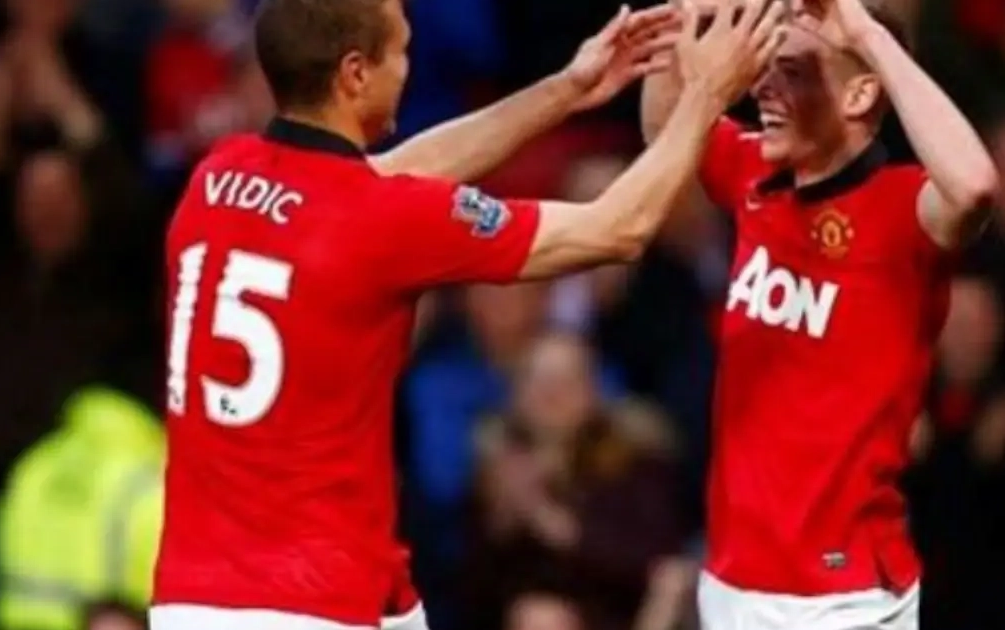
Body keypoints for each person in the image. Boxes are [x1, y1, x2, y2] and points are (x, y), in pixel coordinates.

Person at [150, 1, 786, 630]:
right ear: (355, 73)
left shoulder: (218, 176)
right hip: (314, 602)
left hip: (194, 595)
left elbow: (385, 177)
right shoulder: (381, 220)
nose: (409, 67)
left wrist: (566, 90)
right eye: (401, 51)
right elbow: (617, 228)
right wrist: (705, 96)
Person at [641, 0, 999, 628]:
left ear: (860, 94)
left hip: (841, 596)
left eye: (794, 71)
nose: (763, 87)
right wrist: (694, 12)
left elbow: (973, 186)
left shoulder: (903, 209)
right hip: (731, 579)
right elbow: (665, 127)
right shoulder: (755, 173)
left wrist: (863, 31)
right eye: (768, 65)